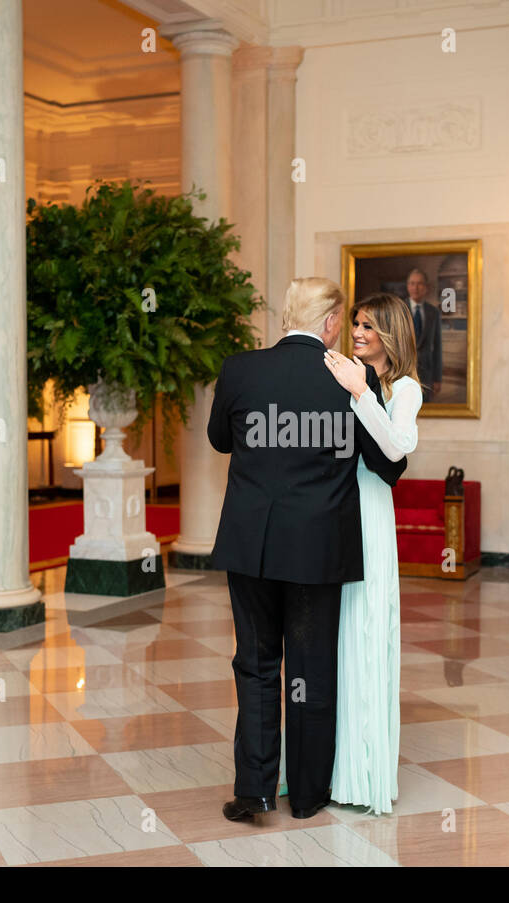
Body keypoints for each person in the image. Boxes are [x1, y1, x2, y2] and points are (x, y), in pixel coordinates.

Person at [208, 277, 407, 823]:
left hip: (251, 544)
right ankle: (310, 795)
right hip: (317, 548)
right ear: (331, 324)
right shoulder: (351, 379)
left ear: (286, 316)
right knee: (311, 669)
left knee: (254, 663)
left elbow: (219, 440)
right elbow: (386, 464)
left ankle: (254, 790)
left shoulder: (240, 368)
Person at [319, 293, 421, 814]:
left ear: (391, 334)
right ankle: (328, 767)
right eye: (355, 324)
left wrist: (362, 393)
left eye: (368, 326)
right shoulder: (346, 375)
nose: (357, 332)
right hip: (333, 510)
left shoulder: (404, 389)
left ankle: (363, 775)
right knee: (334, 634)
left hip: (371, 514)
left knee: (365, 627)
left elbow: (396, 449)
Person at [404, 268, 443, 401]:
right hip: (402, 372)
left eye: (420, 283)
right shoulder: (398, 309)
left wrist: (437, 378)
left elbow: (437, 347)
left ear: (426, 287)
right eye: (412, 283)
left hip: (427, 374)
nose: (416, 287)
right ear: (408, 286)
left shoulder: (433, 312)